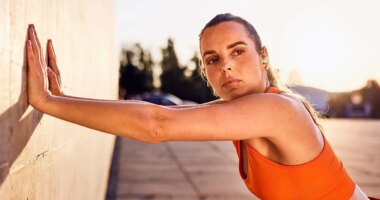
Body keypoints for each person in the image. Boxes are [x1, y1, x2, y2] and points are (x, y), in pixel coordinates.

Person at [26, 13, 371, 199]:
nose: (226, 66)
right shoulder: (246, 111)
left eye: (238, 51)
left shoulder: (277, 110)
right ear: (205, 70)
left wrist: (47, 102)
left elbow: (156, 125)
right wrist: (62, 98)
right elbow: (169, 114)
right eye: (213, 59)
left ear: (263, 56)